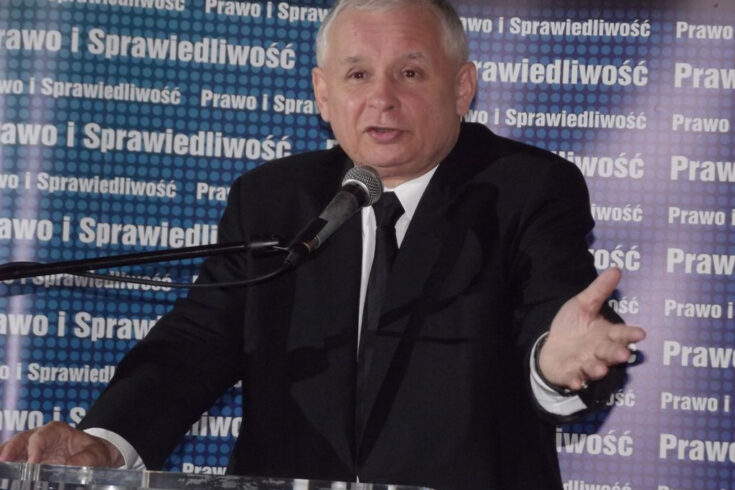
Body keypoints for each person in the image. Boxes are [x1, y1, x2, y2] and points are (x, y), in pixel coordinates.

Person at [0, 0, 646, 488]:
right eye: (358, 74)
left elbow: (555, 307)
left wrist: (552, 361)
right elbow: (198, 341)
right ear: (322, 93)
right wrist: (106, 443)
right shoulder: (273, 199)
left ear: (461, 88)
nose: (382, 99)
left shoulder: (524, 188)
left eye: (411, 72)